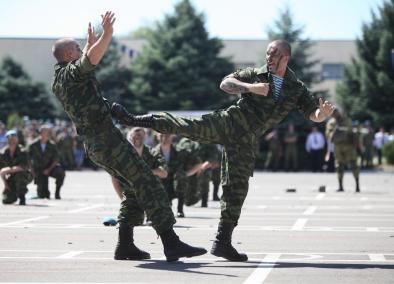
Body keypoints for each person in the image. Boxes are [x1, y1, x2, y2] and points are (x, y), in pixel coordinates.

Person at [112, 39, 334, 261]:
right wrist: (250, 88)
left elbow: (311, 112)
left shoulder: (296, 88)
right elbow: (226, 83)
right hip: (228, 123)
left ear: (286, 58)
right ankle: (136, 120)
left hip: (246, 140)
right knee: (188, 126)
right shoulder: (255, 74)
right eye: (267, 53)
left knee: (237, 188)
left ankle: (222, 242)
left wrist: (321, 115)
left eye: (274, 54)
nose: (269, 57)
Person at [51, 11, 206, 262]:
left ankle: (125, 245)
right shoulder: (70, 74)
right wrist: (107, 34)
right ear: (68, 55)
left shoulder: (62, 79)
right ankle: (171, 242)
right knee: (147, 181)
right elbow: (89, 62)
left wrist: (91, 43)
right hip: (106, 140)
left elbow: (86, 74)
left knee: (133, 188)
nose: (81, 50)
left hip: (98, 142)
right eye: (77, 48)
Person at [111, 127, 168, 232]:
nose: (137, 138)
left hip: (148, 191)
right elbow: (114, 176)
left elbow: (164, 173)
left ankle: (150, 214)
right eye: (135, 135)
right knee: (130, 222)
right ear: (130, 136)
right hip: (129, 192)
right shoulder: (123, 153)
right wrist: (122, 198)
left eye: (140, 136)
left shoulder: (152, 153)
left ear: (145, 137)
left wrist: (145, 172)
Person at [325, 109, 360, 192]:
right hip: (338, 146)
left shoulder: (347, 121)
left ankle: (357, 185)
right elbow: (328, 135)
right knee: (339, 166)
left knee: (353, 164)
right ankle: (340, 186)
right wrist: (334, 132)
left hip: (348, 146)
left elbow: (351, 132)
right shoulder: (331, 123)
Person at [28, 125, 66, 199]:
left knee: (61, 173)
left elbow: (56, 159)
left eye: (48, 132)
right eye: (45, 132)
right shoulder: (33, 145)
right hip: (38, 170)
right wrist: (32, 171)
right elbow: (27, 158)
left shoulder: (52, 145)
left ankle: (57, 192)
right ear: (41, 133)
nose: (47, 134)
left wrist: (49, 169)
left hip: (50, 168)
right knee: (43, 195)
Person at [0, 130, 33, 205]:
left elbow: (24, 167)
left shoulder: (23, 151)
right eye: (9, 139)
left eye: (13, 138)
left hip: (25, 175)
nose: (11, 140)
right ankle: (15, 193)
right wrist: (6, 185)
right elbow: (1, 171)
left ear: (17, 139)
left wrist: (8, 170)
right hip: (11, 177)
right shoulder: (2, 153)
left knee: (19, 174)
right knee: (7, 200)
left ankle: (22, 196)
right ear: (6, 140)